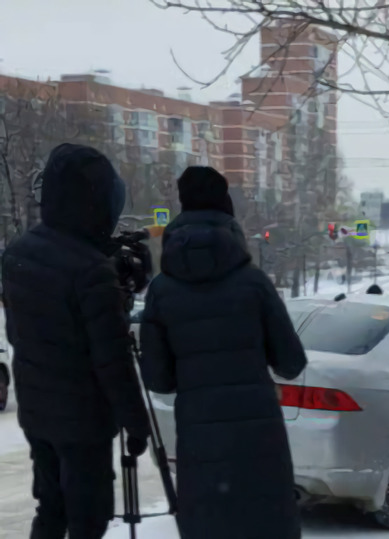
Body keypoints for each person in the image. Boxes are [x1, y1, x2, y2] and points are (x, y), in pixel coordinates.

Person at [139, 166, 307, 539]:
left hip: (201, 443)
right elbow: (292, 363)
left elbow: (159, 380)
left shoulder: (162, 291)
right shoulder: (254, 283)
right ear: (227, 208)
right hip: (259, 442)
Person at [2, 143, 150, 538]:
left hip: (38, 414)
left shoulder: (18, 254)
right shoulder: (90, 271)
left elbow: (19, 333)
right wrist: (137, 424)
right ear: (94, 202)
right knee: (88, 518)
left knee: (51, 510)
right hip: (83, 424)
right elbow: (113, 359)